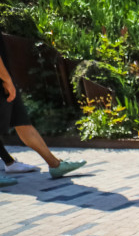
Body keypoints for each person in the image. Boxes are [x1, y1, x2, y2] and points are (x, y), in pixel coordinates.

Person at [0, 31, 85, 185]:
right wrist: (6, 80)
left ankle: (55, 164)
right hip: (3, 79)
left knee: (22, 122)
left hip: (5, 79)